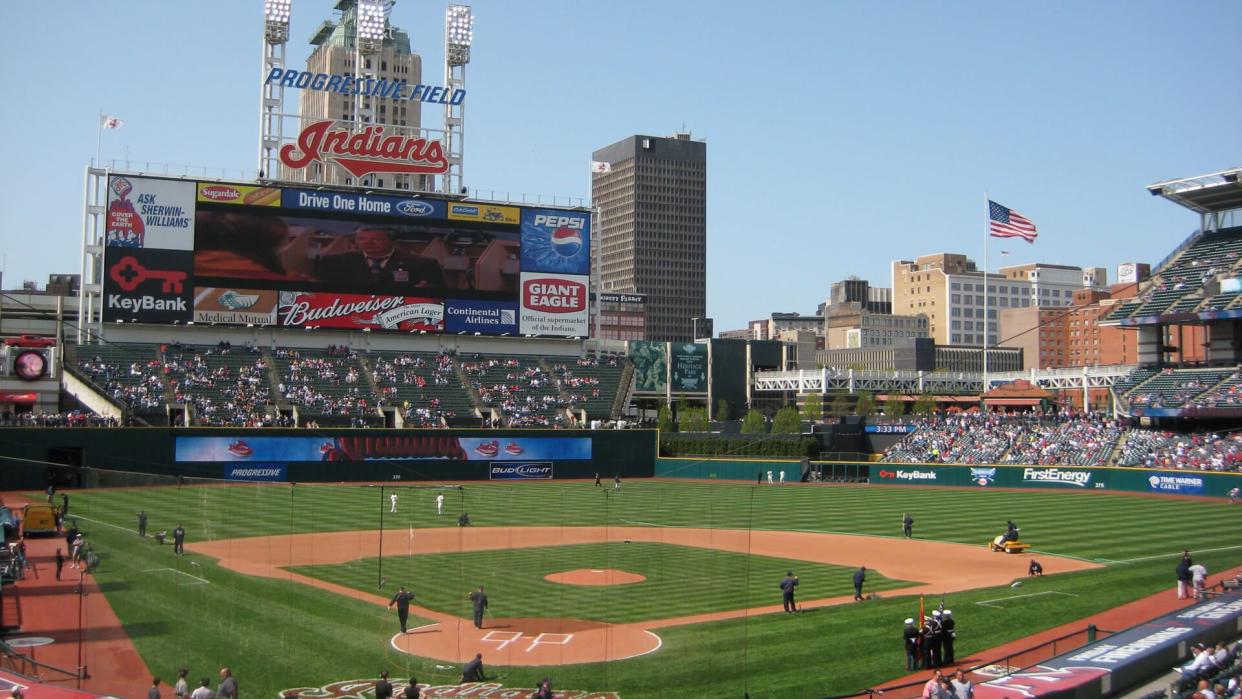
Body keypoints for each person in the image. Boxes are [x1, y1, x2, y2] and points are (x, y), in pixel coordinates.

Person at [317, 227, 445, 292]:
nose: (368, 243)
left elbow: (438, 291)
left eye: (376, 239)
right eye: (362, 239)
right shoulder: (333, 262)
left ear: (392, 241)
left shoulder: (423, 265)